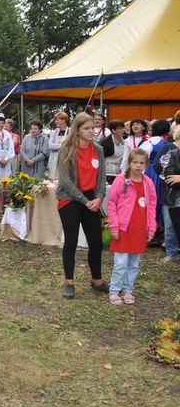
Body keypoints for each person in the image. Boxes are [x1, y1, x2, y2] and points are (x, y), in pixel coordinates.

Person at [55, 112, 108, 300]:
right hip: (70, 199)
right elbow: (66, 182)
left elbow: (102, 177)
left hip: (92, 199)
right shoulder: (67, 149)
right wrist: (85, 202)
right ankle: (69, 282)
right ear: (77, 129)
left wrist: (100, 197)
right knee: (71, 242)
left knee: (96, 242)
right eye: (86, 128)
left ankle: (97, 280)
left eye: (93, 127)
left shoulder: (98, 150)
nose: (91, 131)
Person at [107, 149, 156, 305]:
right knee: (120, 263)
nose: (138, 166)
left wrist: (151, 227)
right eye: (135, 162)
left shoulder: (148, 183)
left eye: (142, 163)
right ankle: (114, 290)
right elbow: (111, 204)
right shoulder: (121, 180)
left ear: (146, 164)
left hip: (139, 229)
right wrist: (114, 227)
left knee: (134, 263)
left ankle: (128, 290)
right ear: (129, 163)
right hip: (123, 229)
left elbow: (152, 206)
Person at [155, 126, 180, 264]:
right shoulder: (172, 152)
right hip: (171, 194)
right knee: (170, 225)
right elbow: (168, 176)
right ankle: (172, 253)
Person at [47, 112, 70, 178]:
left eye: (57, 120)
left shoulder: (70, 131)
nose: (55, 122)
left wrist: (56, 145)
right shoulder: (54, 132)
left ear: (63, 120)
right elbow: (50, 146)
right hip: (54, 160)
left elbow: (71, 146)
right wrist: (64, 145)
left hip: (66, 159)